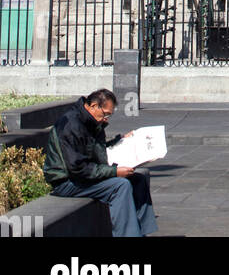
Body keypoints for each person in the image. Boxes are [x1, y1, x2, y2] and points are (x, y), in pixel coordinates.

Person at [43, 89, 158, 238]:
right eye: (106, 114)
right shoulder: (71, 125)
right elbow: (78, 168)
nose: (106, 119)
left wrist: (121, 141)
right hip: (67, 181)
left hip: (84, 176)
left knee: (138, 180)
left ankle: (141, 233)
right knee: (120, 186)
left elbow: (96, 151)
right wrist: (115, 172)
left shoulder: (90, 121)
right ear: (94, 106)